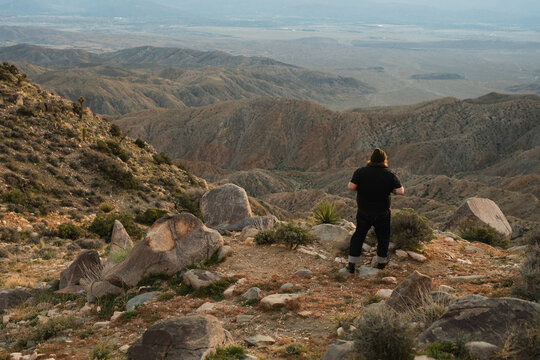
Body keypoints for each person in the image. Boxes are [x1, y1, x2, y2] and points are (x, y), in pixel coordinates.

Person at [344, 148, 404, 273]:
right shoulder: (389, 174)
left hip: (364, 211)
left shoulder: (361, 172)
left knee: (359, 235)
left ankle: (352, 264)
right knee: (383, 237)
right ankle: (381, 263)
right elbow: (400, 191)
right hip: (382, 212)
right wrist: (389, 189)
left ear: (371, 159)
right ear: (384, 160)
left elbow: (351, 187)